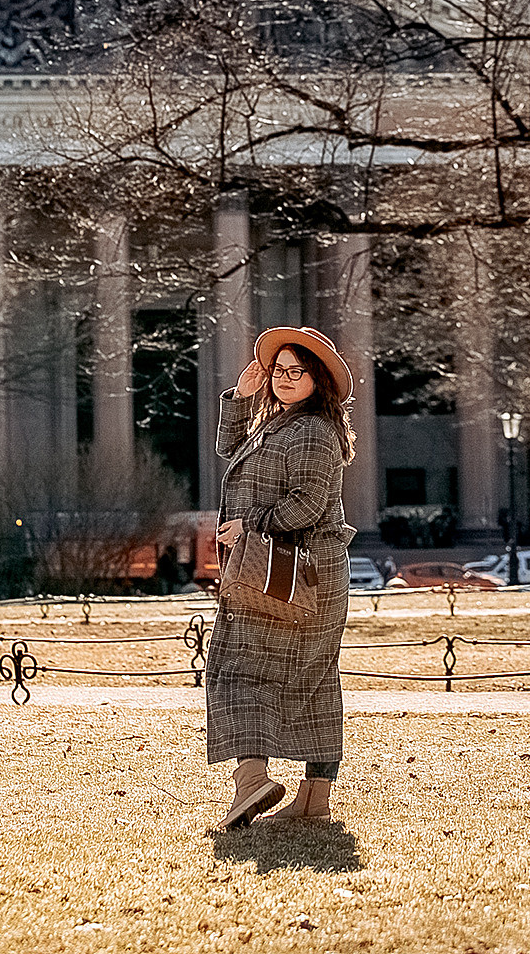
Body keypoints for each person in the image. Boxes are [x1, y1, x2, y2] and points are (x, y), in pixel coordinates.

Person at [205, 324, 356, 830]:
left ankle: (256, 782)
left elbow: (307, 506)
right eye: (279, 370)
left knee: (245, 670)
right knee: (306, 679)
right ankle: (306, 800)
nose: (285, 378)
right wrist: (240, 397)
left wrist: (247, 525)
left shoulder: (312, 430)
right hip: (279, 568)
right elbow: (230, 452)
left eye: (298, 371)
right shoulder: (277, 423)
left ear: (319, 380)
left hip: (301, 573)